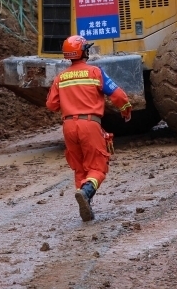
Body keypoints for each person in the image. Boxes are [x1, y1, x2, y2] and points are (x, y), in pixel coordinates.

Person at [46, 35, 133, 222]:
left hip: (68, 127)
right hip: (90, 124)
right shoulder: (95, 73)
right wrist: (126, 110)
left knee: (80, 168)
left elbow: (52, 105)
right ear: (84, 52)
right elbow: (117, 94)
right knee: (97, 168)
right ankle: (86, 193)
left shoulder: (60, 78)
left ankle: (86, 204)